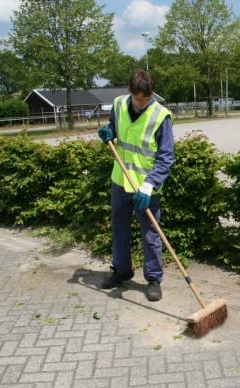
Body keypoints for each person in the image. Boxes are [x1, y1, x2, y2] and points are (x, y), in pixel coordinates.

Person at [98, 69, 174, 302]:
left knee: (151, 234)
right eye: (140, 98)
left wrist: (149, 185)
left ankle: (153, 279)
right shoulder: (119, 104)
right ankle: (121, 270)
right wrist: (108, 134)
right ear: (130, 91)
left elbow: (166, 156)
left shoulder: (161, 116)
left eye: (148, 98)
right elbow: (114, 131)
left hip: (145, 188)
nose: (143, 103)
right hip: (120, 181)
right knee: (119, 228)